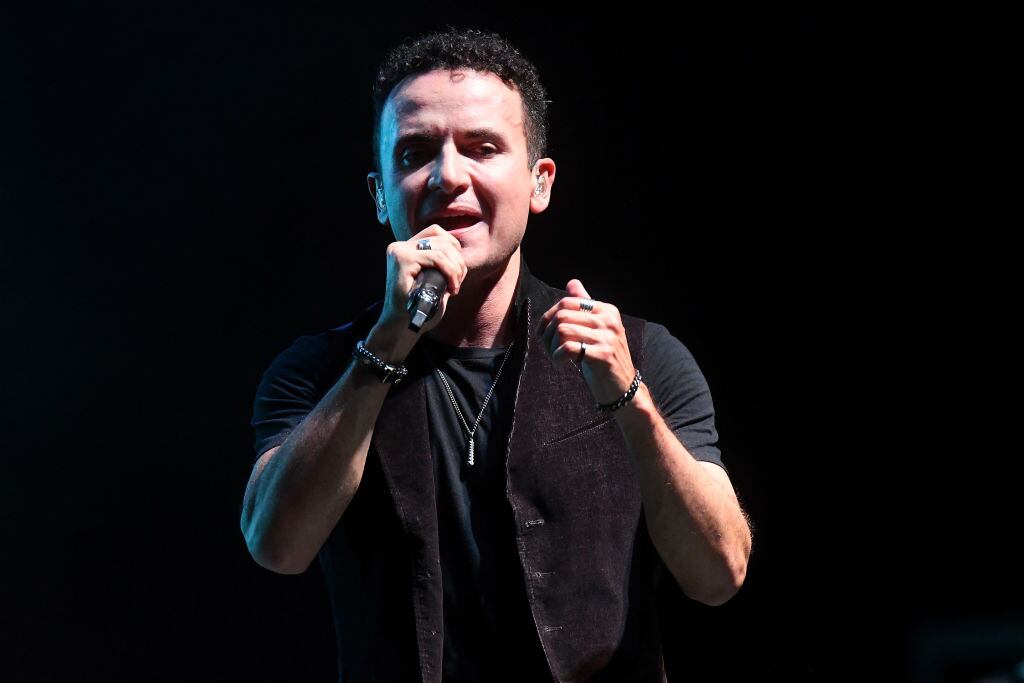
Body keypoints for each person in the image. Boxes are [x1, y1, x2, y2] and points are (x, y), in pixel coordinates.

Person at [241, 27, 752, 682]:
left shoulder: (642, 355)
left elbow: (719, 573)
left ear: (539, 183)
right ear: (379, 194)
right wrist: (387, 344)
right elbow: (277, 545)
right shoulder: (321, 369)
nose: (448, 175)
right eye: (416, 152)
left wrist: (629, 400)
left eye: (482, 148)